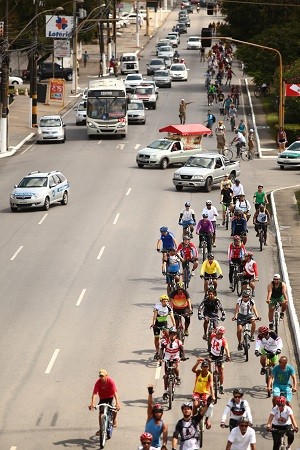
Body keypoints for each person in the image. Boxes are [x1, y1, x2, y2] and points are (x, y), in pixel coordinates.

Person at [88, 369, 121, 433]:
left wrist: (117, 403)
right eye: (100, 376)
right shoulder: (98, 382)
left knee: (114, 408)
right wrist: (92, 403)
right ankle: (101, 429)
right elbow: (95, 393)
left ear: (106, 376)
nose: (101, 377)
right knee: (101, 413)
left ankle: (114, 420)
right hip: (103, 398)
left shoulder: (110, 381)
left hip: (111, 397)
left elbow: (115, 392)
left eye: (103, 376)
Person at [160, 327, 186, 397]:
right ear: (169, 335)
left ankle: (178, 377)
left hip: (175, 358)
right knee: (166, 376)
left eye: (174, 334)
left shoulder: (178, 342)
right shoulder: (165, 341)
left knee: (174, 366)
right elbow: (162, 349)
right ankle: (165, 392)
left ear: (176, 335)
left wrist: (183, 356)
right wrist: (160, 357)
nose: (172, 335)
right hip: (167, 358)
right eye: (171, 334)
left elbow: (182, 349)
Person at [151, 294, 175, 359]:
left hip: (164, 323)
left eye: (166, 301)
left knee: (167, 334)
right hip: (157, 324)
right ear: (161, 301)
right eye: (164, 301)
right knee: (156, 338)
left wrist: (174, 325)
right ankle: (157, 351)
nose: (165, 302)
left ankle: (170, 347)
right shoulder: (157, 306)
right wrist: (153, 323)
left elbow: (172, 316)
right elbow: (155, 316)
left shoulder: (169, 307)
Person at [209, 326, 231, 394]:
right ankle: (210, 377)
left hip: (219, 356)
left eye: (221, 334)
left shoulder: (223, 340)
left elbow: (226, 348)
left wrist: (228, 356)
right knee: (207, 363)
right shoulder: (212, 335)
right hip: (212, 354)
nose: (220, 335)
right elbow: (210, 341)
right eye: (219, 334)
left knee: (220, 370)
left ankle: (221, 386)